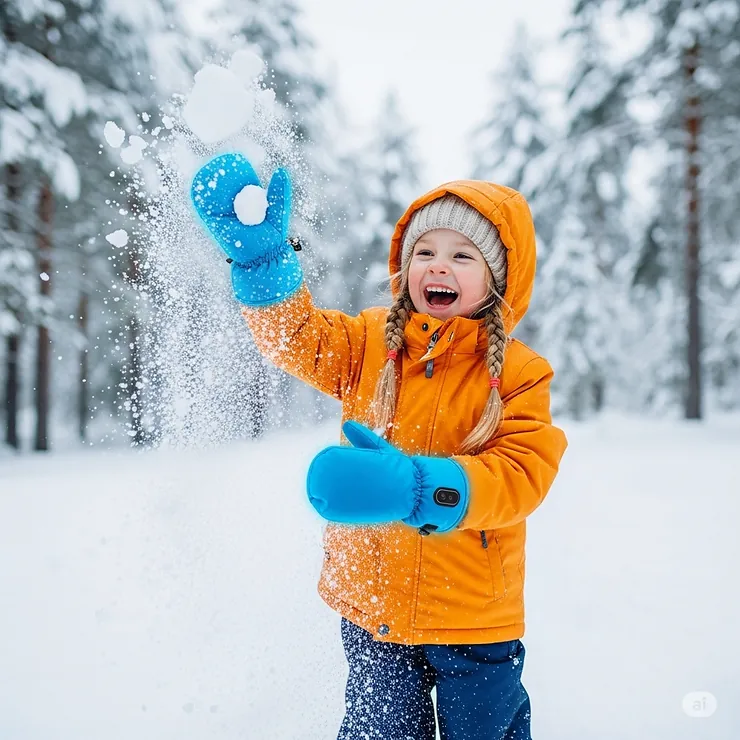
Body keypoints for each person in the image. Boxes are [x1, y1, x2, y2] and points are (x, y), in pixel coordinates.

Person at [191, 153, 568, 740]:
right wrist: (265, 263)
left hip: (472, 619)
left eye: (462, 255)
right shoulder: (369, 343)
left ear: (497, 278)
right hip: (373, 609)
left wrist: (421, 488)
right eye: (425, 252)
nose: (438, 266)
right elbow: (298, 338)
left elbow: (522, 475)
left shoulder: (520, 373)